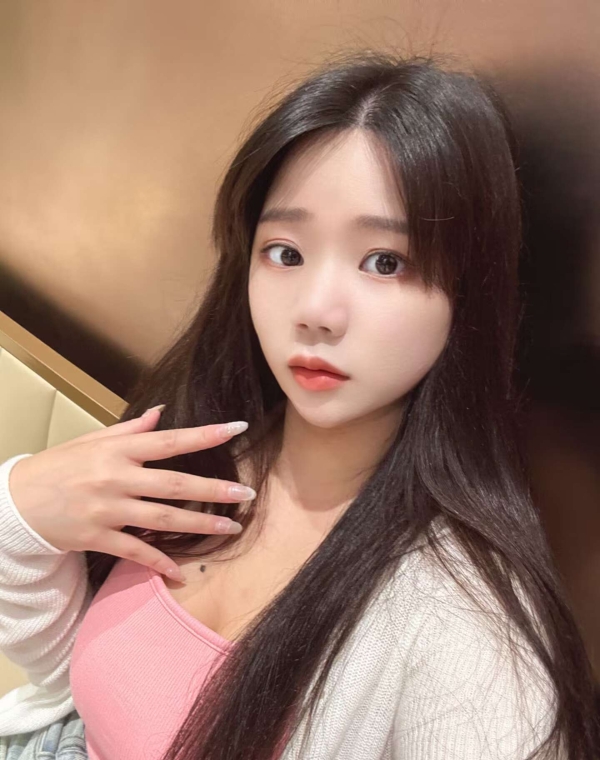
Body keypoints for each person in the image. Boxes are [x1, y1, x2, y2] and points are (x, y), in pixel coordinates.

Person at [0, 50, 597, 760]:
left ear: (468, 293)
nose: (315, 310)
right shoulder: (194, 443)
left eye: (385, 262)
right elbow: (79, 688)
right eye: (285, 252)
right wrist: (19, 515)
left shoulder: (463, 633)